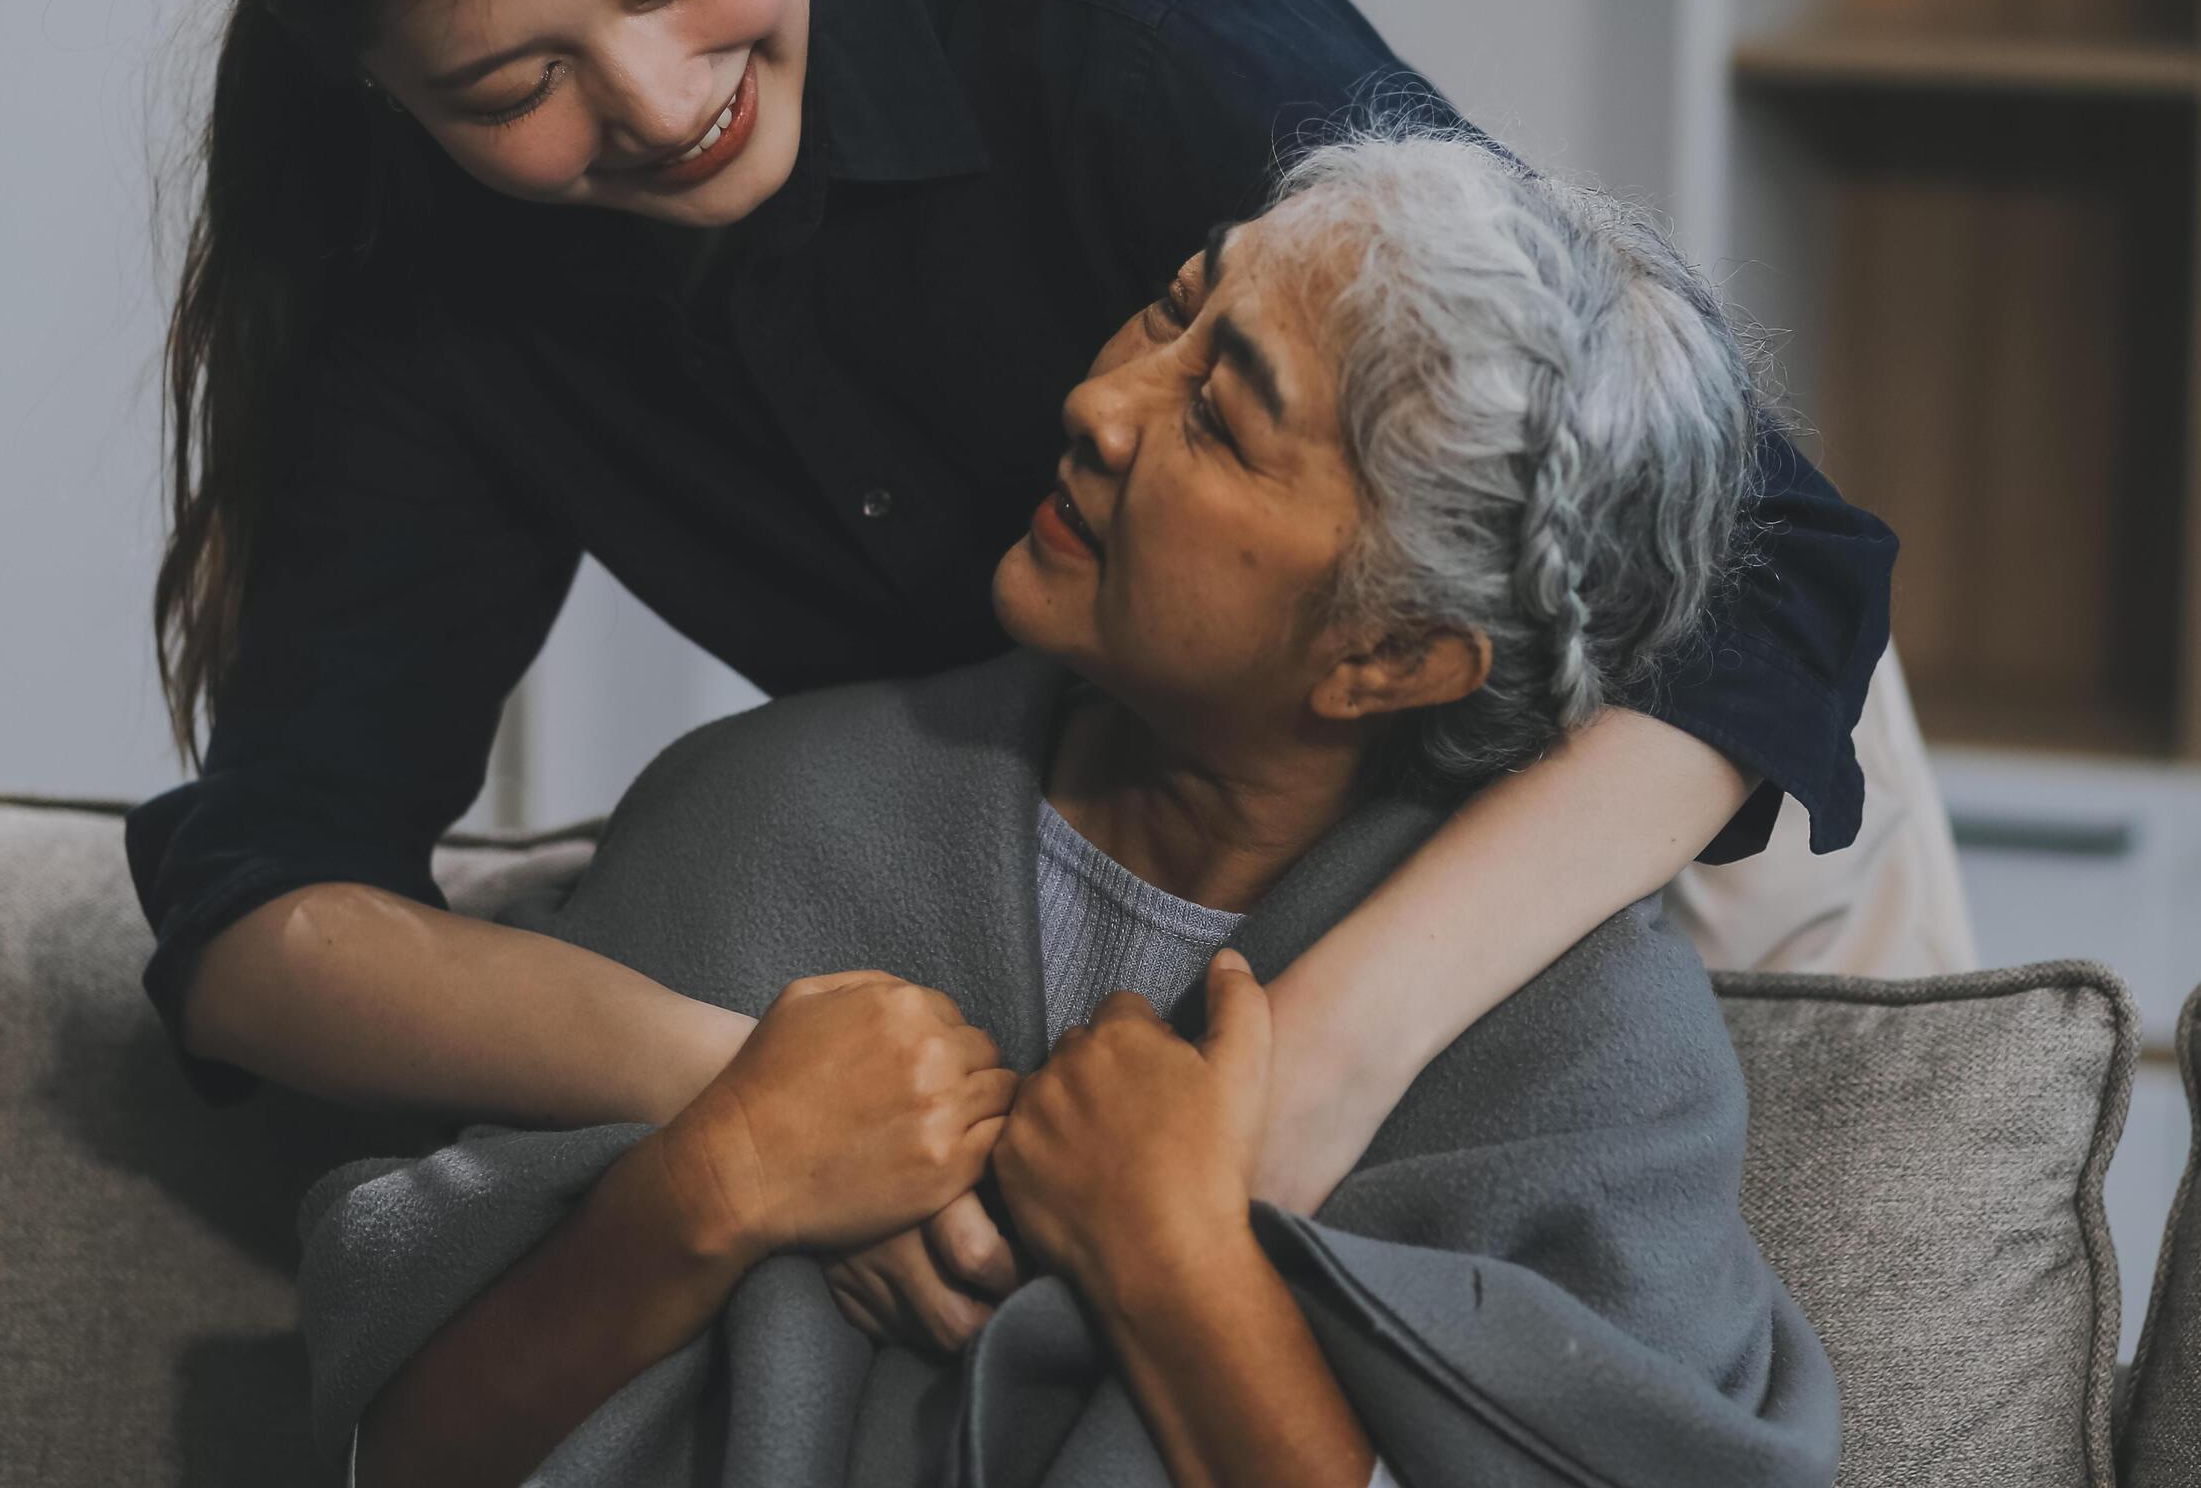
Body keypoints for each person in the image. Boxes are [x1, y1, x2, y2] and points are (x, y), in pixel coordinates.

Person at [134, 0, 1896, 1344]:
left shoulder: (1089, 1)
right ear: (369, 74)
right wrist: (743, 1097)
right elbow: (264, 918)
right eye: (514, 87)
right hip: (1165, 911)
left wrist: (1335, 1049)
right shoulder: (431, 299)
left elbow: (1773, 563)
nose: (659, 106)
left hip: (1652, 745)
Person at [300, 132, 1841, 1488]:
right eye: (1177, 308)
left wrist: (1173, 1264)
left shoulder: (1586, 1053)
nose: (1104, 402)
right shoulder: (759, 816)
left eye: (1222, 422)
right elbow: (402, 1462)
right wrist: (710, 1185)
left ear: (1388, 656)